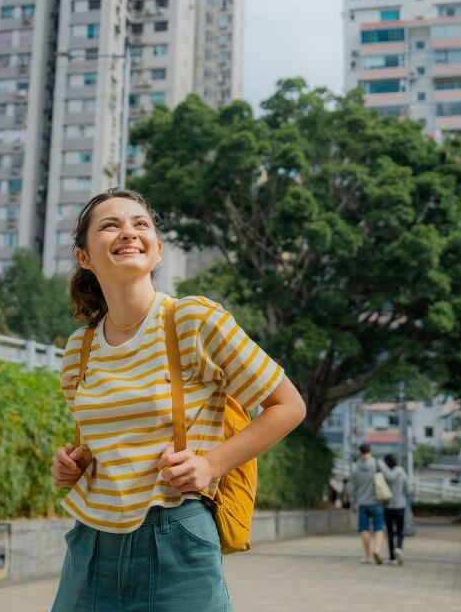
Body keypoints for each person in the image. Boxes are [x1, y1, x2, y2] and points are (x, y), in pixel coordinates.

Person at [50, 188, 307, 612]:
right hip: (90, 545)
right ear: (85, 258)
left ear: (157, 251)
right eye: (110, 225)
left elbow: (288, 405)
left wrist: (210, 464)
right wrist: (72, 463)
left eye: (140, 224)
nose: (128, 233)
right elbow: (111, 440)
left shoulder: (193, 321)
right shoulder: (79, 349)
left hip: (175, 538)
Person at [349, 443, 386, 564]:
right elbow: (387, 477)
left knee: (364, 529)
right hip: (377, 502)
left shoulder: (355, 467)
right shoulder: (377, 463)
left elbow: (352, 487)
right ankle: (377, 550)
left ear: (360, 453)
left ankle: (367, 556)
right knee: (378, 528)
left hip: (362, 503)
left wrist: (353, 503)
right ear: (370, 451)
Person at [381, 453, 408, 565]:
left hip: (388, 506)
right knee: (400, 531)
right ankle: (399, 549)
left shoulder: (384, 475)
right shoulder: (402, 473)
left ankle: (391, 557)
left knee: (390, 532)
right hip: (400, 506)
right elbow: (406, 490)